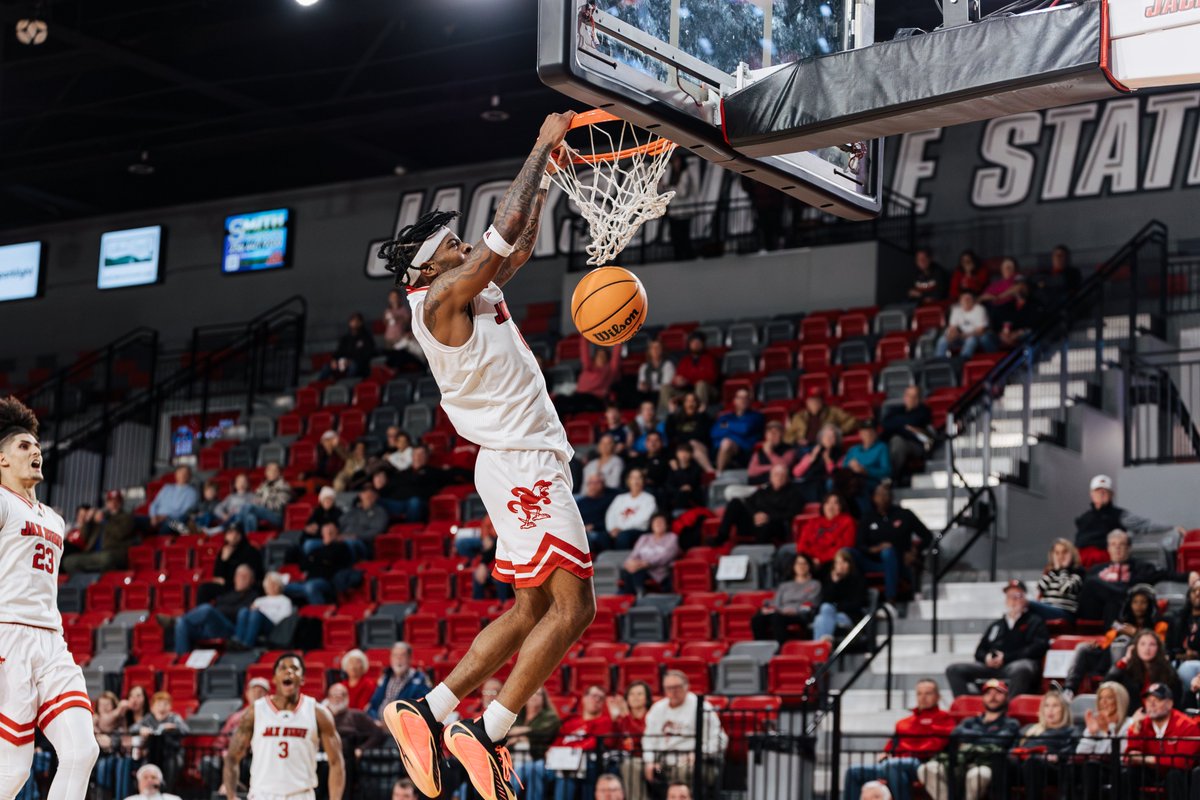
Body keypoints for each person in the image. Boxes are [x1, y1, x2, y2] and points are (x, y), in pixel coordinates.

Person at [377, 113, 596, 800]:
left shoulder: (471, 286)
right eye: (454, 244)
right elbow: (499, 237)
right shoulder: (440, 300)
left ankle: (430, 710)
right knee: (575, 609)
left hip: (522, 460)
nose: (466, 246)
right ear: (431, 264)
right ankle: (489, 731)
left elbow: (517, 245)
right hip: (519, 460)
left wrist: (551, 178)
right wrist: (538, 145)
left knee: (533, 612)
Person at [224, 653, 345, 800]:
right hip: (262, 794)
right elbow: (232, 757)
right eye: (283, 668)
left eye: (295, 668)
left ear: (302, 679)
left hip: (301, 794)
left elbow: (336, 762)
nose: (289, 671)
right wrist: (231, 796)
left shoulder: (317, 712)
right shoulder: (256, 711)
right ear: (275, 678)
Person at [842, 679, 955, 800]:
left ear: (937, 697)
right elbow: (891, 746)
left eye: (928, 693)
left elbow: (936, 746)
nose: (923, 697)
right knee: (854, 771)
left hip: (922, 764)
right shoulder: (903, 723)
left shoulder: (946, 719)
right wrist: (885, 753)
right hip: (894, 765)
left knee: (893, 765)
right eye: (919, 693)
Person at [916, 679, 1020, 800]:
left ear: (1006, 697)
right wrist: (986, 738)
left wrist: (970, 741)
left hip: (986, 764)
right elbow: (955, 735)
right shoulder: (969, 721)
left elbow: (1001, 741)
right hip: (959, 763)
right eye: (988, 693)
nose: (993, 697)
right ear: (982, 697)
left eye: (998, 693)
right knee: (926, 768)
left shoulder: (1011, 723)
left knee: (979, 774)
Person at [945, 580, 1048, 697]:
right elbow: (979, 651)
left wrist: (1006, 658)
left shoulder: (1034, 621)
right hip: (992, 667)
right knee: (954, 670)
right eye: (1010, 596)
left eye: (1017, 596)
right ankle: (964, 707)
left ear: (1025, 599)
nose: (1013, 600)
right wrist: (987, 658)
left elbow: (1038, 647)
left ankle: (1008, 709)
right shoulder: (997, 625)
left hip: (1016, 666)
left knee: (1022, 668)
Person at [1063, 583, 1167, 699]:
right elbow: (1108, 642)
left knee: (1124, 642)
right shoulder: (1121, 624)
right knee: (1083, 648)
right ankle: (1069, 690)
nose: (1139, 606)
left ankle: (1109, 685)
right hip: (1107, 661)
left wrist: (1136, 634)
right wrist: (1099, 646)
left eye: (1143, 602)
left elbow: (1159, 647)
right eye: (1135, 602)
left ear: (1150, 605)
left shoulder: (1159, 625)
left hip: (1135, 666)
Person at [1074, 529, 1195, 624]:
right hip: (1094, 611)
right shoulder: (1096, 570)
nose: (1117, 548)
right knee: (1090, 583)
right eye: (1113, 544)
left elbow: (1166, 573)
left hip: (1125, 611)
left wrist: (1189, 575)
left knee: (1112, 604)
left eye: (1122, 544)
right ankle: (1124, 595)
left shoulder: (1141, 568)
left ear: (1129, 548)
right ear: (1108, 548)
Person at [1073, 473, 1187, 566]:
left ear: (1111, 494)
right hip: (1081, 562)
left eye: (1105, 491)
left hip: (1106, 563)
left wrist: (1171, 527)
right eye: (1098, 491)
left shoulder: (1120, 515)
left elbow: (1145, 525)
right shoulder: (1083, 518)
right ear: (1091, 494)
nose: (1101, 494)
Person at [642, 672, 726, 791]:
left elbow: (719, 740)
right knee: (634, 767)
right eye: (669, 688)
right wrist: (650, 762)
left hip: (697, 765)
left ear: (687, 686)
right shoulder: (657, 709)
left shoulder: (702, 706)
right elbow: (648, 740)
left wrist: (699, 754)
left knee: (682, 771)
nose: (673, 692)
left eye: (677, 687)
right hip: (663, 767)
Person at [855, 483, 932, 605]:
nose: (883, 497)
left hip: (900, 560)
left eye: (886, 494)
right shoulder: (867, 517)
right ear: (874, 498)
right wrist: (875, 549)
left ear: (891, 497)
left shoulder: (905, 514)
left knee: (888, 552)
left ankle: (891, 599)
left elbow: (928, 536)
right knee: (847, 553)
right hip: (873, 561)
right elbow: (859, 544)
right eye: (880, 494)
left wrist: (915, 549)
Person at [1123, 682, 1200, 797]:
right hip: (1151, 773)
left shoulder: (1187, 725)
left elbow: (1182, 762)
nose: (1151, 705)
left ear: (1169, 703)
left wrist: (1148, 759)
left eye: (1157, 700)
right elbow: (1130, 756)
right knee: (1129, 773)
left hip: (1180, 776)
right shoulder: (1140, 724)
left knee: (1174, 774)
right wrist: (1135, 731)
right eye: (1148, 701)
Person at [548, 685, 616, 800]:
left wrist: (571, 749)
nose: (597, 700)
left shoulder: (604, 721)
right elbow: (557, 743)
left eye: (601, 698)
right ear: (584, 698)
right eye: (594, 696)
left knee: (567, 776)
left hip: (585, 763)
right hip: (560, 762)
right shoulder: (571, 722)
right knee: (534, 769)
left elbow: (595, 742)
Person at [174, 563, 258, 654]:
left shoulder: (253, 596)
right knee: (181, 624)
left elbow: (238, 612)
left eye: (245, 576)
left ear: (252, 580)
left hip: (229, 630)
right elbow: (220, 606)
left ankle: (175, 620)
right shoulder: (228, 593)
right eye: (238, 575)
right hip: (210, 627)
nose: (241, 578)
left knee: (207, 609)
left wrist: (219, 611)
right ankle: (182, 661)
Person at [716, 463, 804, 546]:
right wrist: (755, 514)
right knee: (735, 502)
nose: (779, 478)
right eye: (776, 475)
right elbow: (748, 502)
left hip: (775, 526)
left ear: (787, 478)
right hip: (754, 521)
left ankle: (760, 553)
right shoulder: (763, 490)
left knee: (765, 526)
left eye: (782, 475)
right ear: (770, 477)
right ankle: (722, 535)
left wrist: (768, 517)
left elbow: (792, 513)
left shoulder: (794, 494)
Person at [1008, 690, 1075, 799]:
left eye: (1055, 706)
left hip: (1051, 769)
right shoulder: (1028, 728)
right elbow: (1013, 748)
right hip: (1023, 765)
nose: (1050, 710)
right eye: (1047, 706)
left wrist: (1057, 756)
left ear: (1063, 710)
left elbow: (1073, 751)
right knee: (1000, 760)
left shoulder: (1070, 730)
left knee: (1033, 761)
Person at [751, 552, 822, 643]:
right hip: (781, 612)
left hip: (801, 614)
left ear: (809, 566)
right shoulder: (784, 585)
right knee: (757, 619)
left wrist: (794, 610)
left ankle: (782, 648)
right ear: (793, 566)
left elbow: (813, 604)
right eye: (798, 563)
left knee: (777, 618)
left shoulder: (814, 584)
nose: (801, 566)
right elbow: (776, 603)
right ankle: (761, 646)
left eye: (804, 563)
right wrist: (777, 610)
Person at [286, 523, 363, 605]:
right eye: (326, 532)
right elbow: (303, 566)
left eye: (331, 532)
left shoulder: (342, 547)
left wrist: (315, 561)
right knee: (283, 588)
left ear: (336, 533)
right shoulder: (316, 550)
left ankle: (320, 613)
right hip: (308, 580)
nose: (328, 534)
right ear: (322, 534)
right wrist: (320, 561)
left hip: (326, 581)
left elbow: (332, 563)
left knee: (311, 587)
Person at [62, 488, 135, 573]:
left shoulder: (126, 517)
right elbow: (84, 536)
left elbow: (120, 533)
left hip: (113, 552)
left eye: (116, 501)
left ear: (121, 502)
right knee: (68, 561)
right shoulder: (100, 517)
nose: (114, 504)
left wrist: (104, 521)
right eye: (110, 501)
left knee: (106, 558)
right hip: (93, 554)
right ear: (107, 503)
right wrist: (88, 520)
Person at [1104, 629, 1182, 705]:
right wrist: (1125, 660)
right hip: (1132, 714)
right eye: (1142, 644)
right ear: (1135, 647)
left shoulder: (1166, 669)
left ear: (1158, 648)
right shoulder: (1127, 668)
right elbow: (1107, 685)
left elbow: (1175, 697)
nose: (1147, 649)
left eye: (1152, 644)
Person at [510, 687, 561, 800]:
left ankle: (507, 796)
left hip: (539, 759)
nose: (535, 697)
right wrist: (525, 734)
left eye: (539, 694)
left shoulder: (550, 718)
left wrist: (521, 733)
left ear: (544, 699)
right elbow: (506, 733)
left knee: (530, 768)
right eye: (532, 694)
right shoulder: (517, 716)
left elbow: (544, 735)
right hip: (511, 758)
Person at [881, 386, 934, 483]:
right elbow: (885, 423)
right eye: (909, 395)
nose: (911, 399)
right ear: (904, 396)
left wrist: (897, 425)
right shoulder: (896, 410)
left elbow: (915, 421)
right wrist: (906, 427)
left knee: (897, 441)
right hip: (892, 442)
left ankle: (891, 477)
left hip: (916, 445)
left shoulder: (924, 411)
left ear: (919, 399)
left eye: (915, 396)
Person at [813, 549, 869, 642]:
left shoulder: (858, 580)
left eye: (844, 562)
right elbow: (825, 600)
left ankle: (820, 648)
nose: (841, 566)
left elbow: (857, 604)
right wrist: (834, 583)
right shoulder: (831, 581)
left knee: (823, 614)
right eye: (838, 563)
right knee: (819, 618)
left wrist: (835, 607)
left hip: (850, 617)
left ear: (850, 564)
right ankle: (824, 645)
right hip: (831, 616)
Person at [620, 513, 681, 596]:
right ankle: (633, 595)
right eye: (655, 522)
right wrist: (630, 563)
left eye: (661, 522)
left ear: (667, 525)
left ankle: (636, 594)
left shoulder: (672, 537)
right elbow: (634, 554)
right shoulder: (644, 538)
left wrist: (646, 563)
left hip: (659, 572)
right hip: (640, 569)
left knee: (636, 571)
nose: (658, 524)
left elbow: (665, 556)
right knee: (630, 570)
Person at [795, 492, 857, 574]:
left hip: (832, 559)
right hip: (810, 559)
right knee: (786, 552)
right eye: (827, 503)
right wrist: (811, 559)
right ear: (823, 506)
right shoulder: (813, 522)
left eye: (835, 503)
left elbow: (844, 547)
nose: (831, 507)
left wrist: (820, 559)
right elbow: (802, 544)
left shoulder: (847, 521)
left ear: (841, 506)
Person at [230, 571, 293, 650]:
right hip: (257, 623)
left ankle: (247, 644)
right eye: (269, 584)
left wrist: (264, 613)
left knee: (256, 614)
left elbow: (284, 621)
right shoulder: (259, 600)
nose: (271, 587)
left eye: (274, 584)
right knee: (244, 611)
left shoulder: (285, 600)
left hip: (274, 627)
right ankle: (237, 640)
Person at [325, 682, 387, 761]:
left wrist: (362, 749)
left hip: (348, 758)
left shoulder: (357, 715)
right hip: (325, 757)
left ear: (347, 697)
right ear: (328, 698)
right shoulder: (323, 716)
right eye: (334, 695)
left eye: (342, 694)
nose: (338, 697)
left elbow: (378, 733)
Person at [369, 642, 432, 720]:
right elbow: (373, 705)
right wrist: (375, 720)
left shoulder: (420, 679)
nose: (398, 659)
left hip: (402, 725)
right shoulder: (385, 677)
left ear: (410, 658)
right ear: (391, 658)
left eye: (402, 655)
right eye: (395, 655)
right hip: (378, 725)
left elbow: (421, 709)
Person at [612, 682, 653, 800]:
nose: (635, 697)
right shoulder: (623, 719)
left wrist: (626, 717)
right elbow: (611, 742)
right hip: (626, 760)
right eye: (632, 694)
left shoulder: (652, 716)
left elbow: (641, 737)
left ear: (647, 698)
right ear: (627, 699)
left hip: (655, 764)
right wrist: (614, 720)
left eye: (640, 694)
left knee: (630, 766)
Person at [1027, 538, 1085, 622]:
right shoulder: (1051, 572)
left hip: (1065, 613)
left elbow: (1065, 589)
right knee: (1022, 608)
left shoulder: (1077, 572)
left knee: (1027, 604)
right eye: (1057, 553)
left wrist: (1063, 569)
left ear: (1072, 554)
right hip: (1047, 608)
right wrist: (1054, 571)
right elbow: (1040, 588)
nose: (1060, 556)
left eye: (1064, 552)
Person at [709, 388, 764, 474]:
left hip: (744, 451)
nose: (743, 400)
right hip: (720, 449)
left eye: (746, 398)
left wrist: (727, 426)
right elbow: (714, 433)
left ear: (750, 401)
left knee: (726, 442)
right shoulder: (725, 417)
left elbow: (745, 429)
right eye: (740, 398)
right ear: (735, 401)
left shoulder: (756, 416)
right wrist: (736, 431)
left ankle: (718, 474)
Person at [658, 152, 698, 261]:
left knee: (684, 237)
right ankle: (679, 257)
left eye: (677, 161)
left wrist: (669, 188)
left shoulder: (685, 174)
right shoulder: (671, 175)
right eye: (674, 161)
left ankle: (688, 257)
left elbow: (682, 192)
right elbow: (663, 191)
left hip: (684, 212)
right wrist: (662, 186)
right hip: (674, 212)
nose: (675, 164)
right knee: (675, 237)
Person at [785, 388, 858, 448]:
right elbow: (787, 436)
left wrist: (838, 431)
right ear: (807, 402)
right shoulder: (799, 416)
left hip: (825, 446)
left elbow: (852, 421)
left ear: (822, 401)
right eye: (811, 400)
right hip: (804, 447)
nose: (814, 403)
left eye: (817, 400)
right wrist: (797, 440)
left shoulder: (833, 411)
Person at [605, 469, 658, 552]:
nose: (636, 481)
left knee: (623, 536)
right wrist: (611, 529)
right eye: (633, 478)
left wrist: (621, 529)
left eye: (639, 478)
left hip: (637, 531)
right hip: (615, 530)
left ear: (643, 481)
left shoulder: (649, 499)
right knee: (602, 536)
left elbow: (644, 519)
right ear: (628, 481)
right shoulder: (620, 498)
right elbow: (610, 515)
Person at [792, 424, 845, 504]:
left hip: (825, 483)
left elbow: (837, 475)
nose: (828, 439)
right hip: (809, 481)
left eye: (832, 437)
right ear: (821, 439)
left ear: (836, 440)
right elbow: (796, 473)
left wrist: (828, 461)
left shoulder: (840, 454)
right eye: (826, 436)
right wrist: (811, 459)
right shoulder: (813, 451)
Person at [233, 461, 292, 532]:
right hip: (262, 512)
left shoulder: (284, 486)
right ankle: (248, 539)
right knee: (250, 517)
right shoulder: (263, 486)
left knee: (248, 506)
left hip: (276, 516)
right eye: (269, 470)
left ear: (279, 473)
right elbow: (256, 498)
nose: (272, 472)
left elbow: (277, 505)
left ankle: (236, 524)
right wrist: (259, 502)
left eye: (275, 470)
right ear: (266, 473)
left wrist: (261, 502)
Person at [664, 392, 714, 473]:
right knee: (690, 447)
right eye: (688, 401)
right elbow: (669, 435)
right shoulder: (677, 418)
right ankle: (710, 471)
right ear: (683, 403)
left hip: (701, 446)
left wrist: (701, 415)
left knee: (693, 443)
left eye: (693, 401)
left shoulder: (703, 417)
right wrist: (671, 413)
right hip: (682, 448)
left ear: (698, 404)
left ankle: (710, 471)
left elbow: (702, 435)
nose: (690, 403)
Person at [934, 290, 990, 359]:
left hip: (975, 337)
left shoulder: (980, 309)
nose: (966, 301)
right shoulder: (956, 310)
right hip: (959, 337)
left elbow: (981, 330)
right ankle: (939, 361)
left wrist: (965, 335)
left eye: (969, 299)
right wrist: (951, 335)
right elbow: (952, 327)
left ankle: (962, 360)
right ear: (960, 301)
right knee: (943, 340)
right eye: (964, 299)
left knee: (971, 340)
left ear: (973, 300)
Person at [669, 333, 718, 409]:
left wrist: (688, 380)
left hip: (707, 390)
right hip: (687, 390)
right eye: (693, 343)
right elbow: (678, 377)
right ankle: (671, 413)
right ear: (689, 345)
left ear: (703, 344)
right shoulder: (684, 360)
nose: (696, 345)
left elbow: (711, 377)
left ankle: (700, 411)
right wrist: (677, 381)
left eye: (698, 342)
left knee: (701, 384)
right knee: (665, 388)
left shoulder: (709, 359)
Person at [841, 426, 891, 500]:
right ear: (860, 434)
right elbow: (843, 467)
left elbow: (887, 471)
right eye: (864, 433)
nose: (867, 435)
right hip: (850, 478)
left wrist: (865, 471)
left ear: (875, 434)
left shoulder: (882, 448)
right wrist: (850, 466)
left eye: (870, 433)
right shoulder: (853, 449)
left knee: (858, 485)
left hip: (870, 480)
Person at [322, 312, 377, 380]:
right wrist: (334, 360)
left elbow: (367, 355)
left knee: (353, 366)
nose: (353, 323)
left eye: (356, 321)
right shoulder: (345, 338)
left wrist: (350, 361)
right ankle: (319, 385)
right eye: (352, 320)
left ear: (360, 323)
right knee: (327, 367)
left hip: (359, 365)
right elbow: (339, 351)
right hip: (343, 363)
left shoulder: (366, 337)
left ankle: (348, 383)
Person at [990, 278, 1041, 349]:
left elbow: (1034, 324)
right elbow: (1003, 321)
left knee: (1029, 333)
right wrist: (1003, 333)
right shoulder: (1009, 304)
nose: (1019, 289)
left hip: (1026, 332)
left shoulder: (1034, 303)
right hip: (1009, 335)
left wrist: (1017, 333)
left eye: (1023, 287)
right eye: (1017, 287)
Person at [383, 287, 426, 370]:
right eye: (392, 297)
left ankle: (424, 363)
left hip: (402, 338)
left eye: (396, 297)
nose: (394, 299)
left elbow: (407, 323)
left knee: (414, 347)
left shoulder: (404, 310)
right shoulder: (387, 311)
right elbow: (385, 323)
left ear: (400, 298)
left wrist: (398, 317)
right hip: (390, 341)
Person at [149, 464, 199, 534]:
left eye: (186, 473)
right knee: (134, 520)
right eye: (180, 472)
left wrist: (165, 517)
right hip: (155, 518)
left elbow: (185, 513)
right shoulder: (166, 488)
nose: (182, 475)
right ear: (176, 474)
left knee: (171, 525)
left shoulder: (192, 493)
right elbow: (154, 504)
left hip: (174, 521)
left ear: (190, 476)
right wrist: (153, 516)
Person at [339, 485, 390, 553]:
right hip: (342, 538)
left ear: (376, 497)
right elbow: (339, 523)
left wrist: (356, 536)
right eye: (366, 494)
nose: (368, 497)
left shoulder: (380, 512)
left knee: (346, 545)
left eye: (371, 495)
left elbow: (377, 531)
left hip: (362, 542)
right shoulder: (353, 511)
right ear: (360, 495)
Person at [1171, 583, 1200, 699]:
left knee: (1187, 668)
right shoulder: (1178, 618)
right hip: (1178, 660)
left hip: (1195, 664)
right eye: (1194, 591)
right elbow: (1169, 647)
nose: (1198, 594)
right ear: (1189, 595)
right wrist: (1181, 655)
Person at [747, 420, 796, 485]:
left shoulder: (789, 449)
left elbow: (783, 467)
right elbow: (751, 471)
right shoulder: (760, 450)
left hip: (776, 485)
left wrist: (769, 453)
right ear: (766, 435)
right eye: (770, 432)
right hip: (756, 484)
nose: (772, 434)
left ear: (782, 434)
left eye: (776, 432)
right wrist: (772, 467)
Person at [664, 442, 705, 513]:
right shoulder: (671, 468)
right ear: (676, 454)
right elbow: (669, 485)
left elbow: (690, 483)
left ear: (691, 454)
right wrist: (679, 490)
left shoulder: (696, 468)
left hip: (692, 497)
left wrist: (677, 470)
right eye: (680, 452)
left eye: (686, 452)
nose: (683, 455)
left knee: (685, 493)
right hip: (676, 497)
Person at [638, 340, 676, 412]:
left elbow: (666, 384)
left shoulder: (668, 365)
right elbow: (641, 385)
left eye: (658, 347)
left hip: (661, 394)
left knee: (661, 392)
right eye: (652, 348)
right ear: (649, 351)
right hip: (648, 394)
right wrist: (643, 386)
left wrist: (650, 386)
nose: (655, 350)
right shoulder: (644, 367)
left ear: (662, 350)